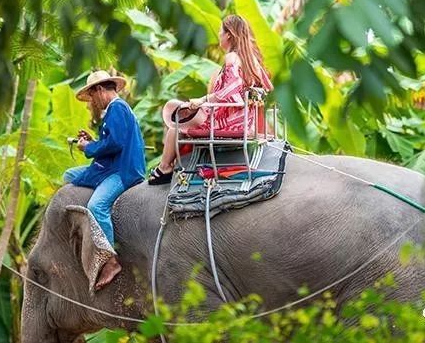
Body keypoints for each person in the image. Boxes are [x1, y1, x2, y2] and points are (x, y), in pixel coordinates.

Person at [148, 15, 273, 185]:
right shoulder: (251, 60)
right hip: (245, 120)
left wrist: (202, 100)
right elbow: (267, 89)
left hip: (227, 122)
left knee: (176, 124)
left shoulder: (232, 58)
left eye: (221, 32)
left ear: (229, 35)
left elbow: (230, 92)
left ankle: (164, 168)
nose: (219, 36)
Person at [63, 70, 146, 289]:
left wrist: (88, 148)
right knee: (69, 175)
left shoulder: (117, 108)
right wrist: (93, 141)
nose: (92, 102)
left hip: (122, 171)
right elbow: (110, 142)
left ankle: (110, 260)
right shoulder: (114, 111)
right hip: (113, 166)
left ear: (100, 90)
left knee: (97, 205)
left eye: (92, 96)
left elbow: (116, 144)